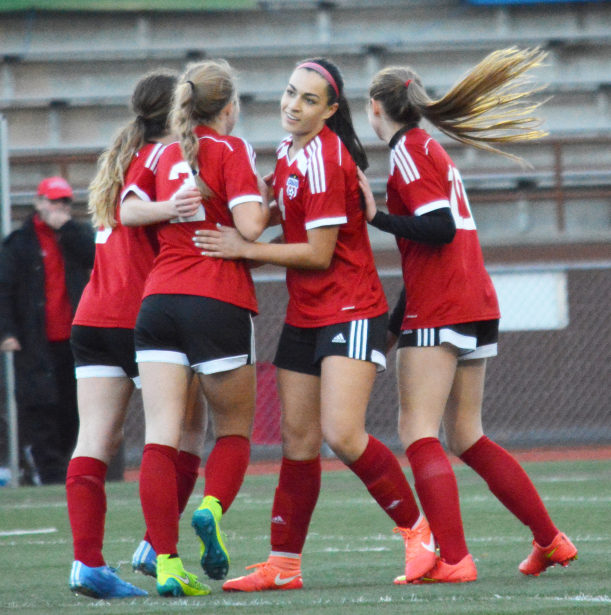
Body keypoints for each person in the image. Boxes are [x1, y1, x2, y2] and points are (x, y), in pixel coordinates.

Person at [195, 57, 433, 592]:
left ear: (329, 110)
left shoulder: (328, 155)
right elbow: (283, 211)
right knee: (297, 441)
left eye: (307, 99)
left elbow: (321, 253)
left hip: (350, 307)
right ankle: (284, 563)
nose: (292, 105)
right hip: (307, 313)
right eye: (288, 93)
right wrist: (236, 219)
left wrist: (245, 247)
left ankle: (419, 534)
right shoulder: (287, 151)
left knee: (342, 434)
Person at [357, 47, 578, 583]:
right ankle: (551, 540)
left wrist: (376, 218)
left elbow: (438, 230)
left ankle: (453, 558)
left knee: (417, 430)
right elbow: (432, 250)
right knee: (466, 434)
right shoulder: (427, 148)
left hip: (445, 305)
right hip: (473, 300)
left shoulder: (409, 151)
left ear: (374, 108)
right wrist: (390, 332)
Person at [65, 69, 208, 599]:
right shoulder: (167, 157)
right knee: (184, 433)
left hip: (94, 315)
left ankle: (87, 564)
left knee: (95, 440)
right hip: (148, 315)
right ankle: (156, 545)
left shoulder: (119, 157)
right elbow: (176, 217)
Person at [135, 59, 270, 598]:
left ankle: (166, 565)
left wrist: (173, 208)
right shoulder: (231, 149)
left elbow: (128, 211)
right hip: (217, 301)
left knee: (159, 440)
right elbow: (251, 226)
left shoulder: (161, 151)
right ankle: (211, 507)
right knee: (233, 431)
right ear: (229, 107)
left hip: (158, 301)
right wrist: (271, 204)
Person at [0, 176, 95, 485]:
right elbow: (5, 291)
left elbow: (94, 257)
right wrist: (7, 332)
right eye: (53, 201)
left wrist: (66, 230)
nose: (59, 208)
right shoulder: (19, 243)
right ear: (39, 203)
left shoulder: (76, 236)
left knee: (74, 406)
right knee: (40, 407)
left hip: (75, 338)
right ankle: (50, 474)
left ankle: (70, 469)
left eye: (64, 202)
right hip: (35, 341)